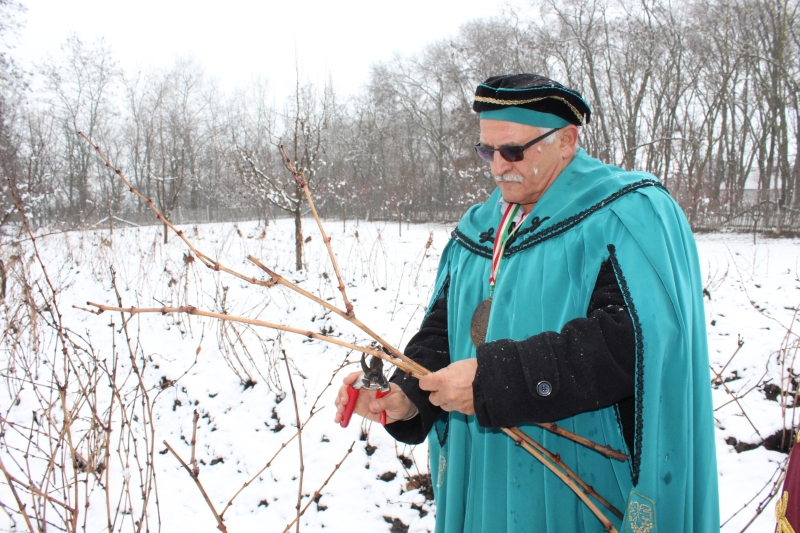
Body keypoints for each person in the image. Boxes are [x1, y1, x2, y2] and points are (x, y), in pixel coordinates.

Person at [334, 73, 719, 532]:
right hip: (487, 478)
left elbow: (631, 343)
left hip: (582, 477)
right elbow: (444, 332)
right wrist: (407, 396)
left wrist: (495, 381)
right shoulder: (479, 226)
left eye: (513, 151)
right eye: (486, 151)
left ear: (567, 140)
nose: (498, 167)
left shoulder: (624, 212)